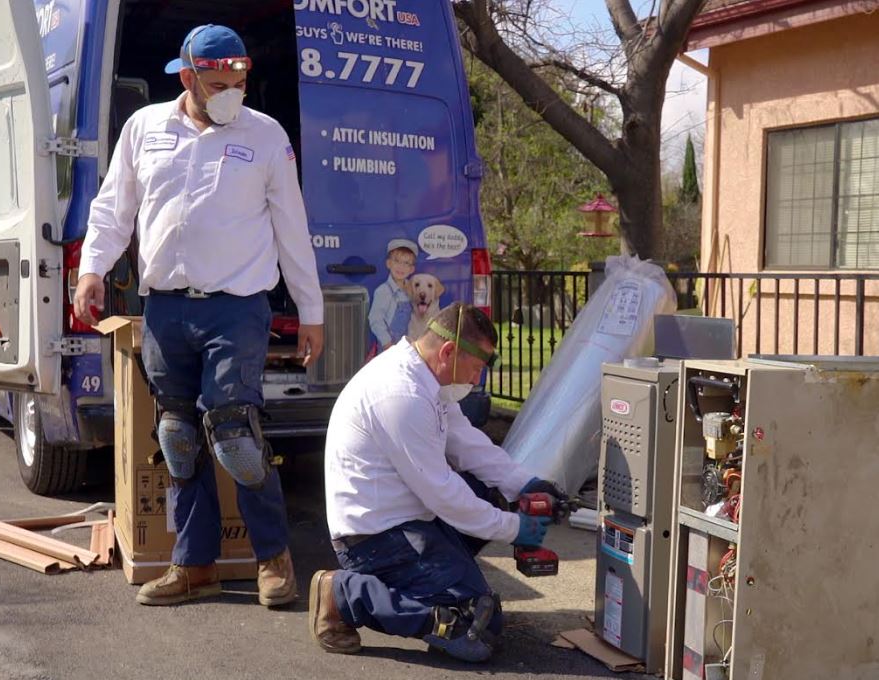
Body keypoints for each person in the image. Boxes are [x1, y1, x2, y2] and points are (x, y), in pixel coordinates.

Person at [73, 24, 324, 607]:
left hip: (236, 310)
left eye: (239, 80)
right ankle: (194, 564)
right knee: (178, 436)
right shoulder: (145, 128)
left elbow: (292, 226)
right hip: (164, 309)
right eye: (217, 82)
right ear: (187, 77)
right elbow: (114, 207)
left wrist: (310, 310)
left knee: (235, 433)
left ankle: (273, 558)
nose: (231, 91)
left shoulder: (265, 136)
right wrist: (91, 269)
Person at [310, 302, 566, 662]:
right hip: (375, 540)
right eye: (476, 367)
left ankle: (444, 583)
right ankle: (343, 594)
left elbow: (468, 444)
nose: (476, 379)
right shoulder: (401, 395)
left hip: (409, 519)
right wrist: (515, 528)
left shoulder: (426, 380)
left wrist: (526, 485)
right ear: (448, 351)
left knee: (490, 497)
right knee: (476, 630)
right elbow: (442, 493)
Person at [368, 238, 417, 353]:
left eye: (406, 263)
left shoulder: (411, 291)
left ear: (411, 269)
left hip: (407, 347)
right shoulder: (383, 291)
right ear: (388, 263)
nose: (401, 267)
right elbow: (375, 319)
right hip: (389, 349)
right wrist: (387, 343)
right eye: (397, 261)